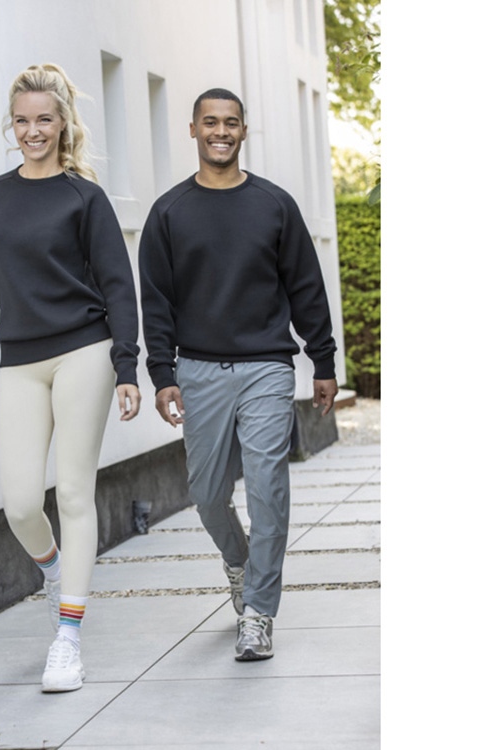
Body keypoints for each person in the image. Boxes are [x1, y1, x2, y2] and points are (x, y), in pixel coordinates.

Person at [138, 88, 338, 661]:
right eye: (210, 122)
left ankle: (258, 612)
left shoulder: (275, 205)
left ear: (244, 131)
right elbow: (156, 302)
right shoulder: (168, 212)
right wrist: (162, 373)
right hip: (198, 370)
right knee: (206, 494)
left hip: (266, 368)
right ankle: (239, 562)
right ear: (193, 130)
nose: (220, 131)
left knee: (269, 488)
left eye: (230, 123)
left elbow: (306, 287)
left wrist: (322, 360)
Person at [0, 63, 141, 692]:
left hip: (84, 349)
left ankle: (68, 638)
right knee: (19, 504)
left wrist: (126, 365)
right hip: (20, 359)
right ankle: (57, 574)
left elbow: (118, 286)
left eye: (43, 119)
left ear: (63, 123)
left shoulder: (83, 197)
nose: (32, 131)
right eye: (22, 120)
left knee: (72, 494)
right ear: (11, 126)